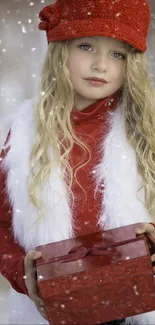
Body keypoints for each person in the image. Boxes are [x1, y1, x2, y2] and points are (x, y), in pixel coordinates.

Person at [0, 0, 155, 324]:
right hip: (56, 309)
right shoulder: (25, 136)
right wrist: (20, 270)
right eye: (87, 46)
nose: (101, 65)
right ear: (61, 52)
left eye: (117, 54)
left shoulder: (145, 132)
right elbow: (1, 224)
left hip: (134, 308)